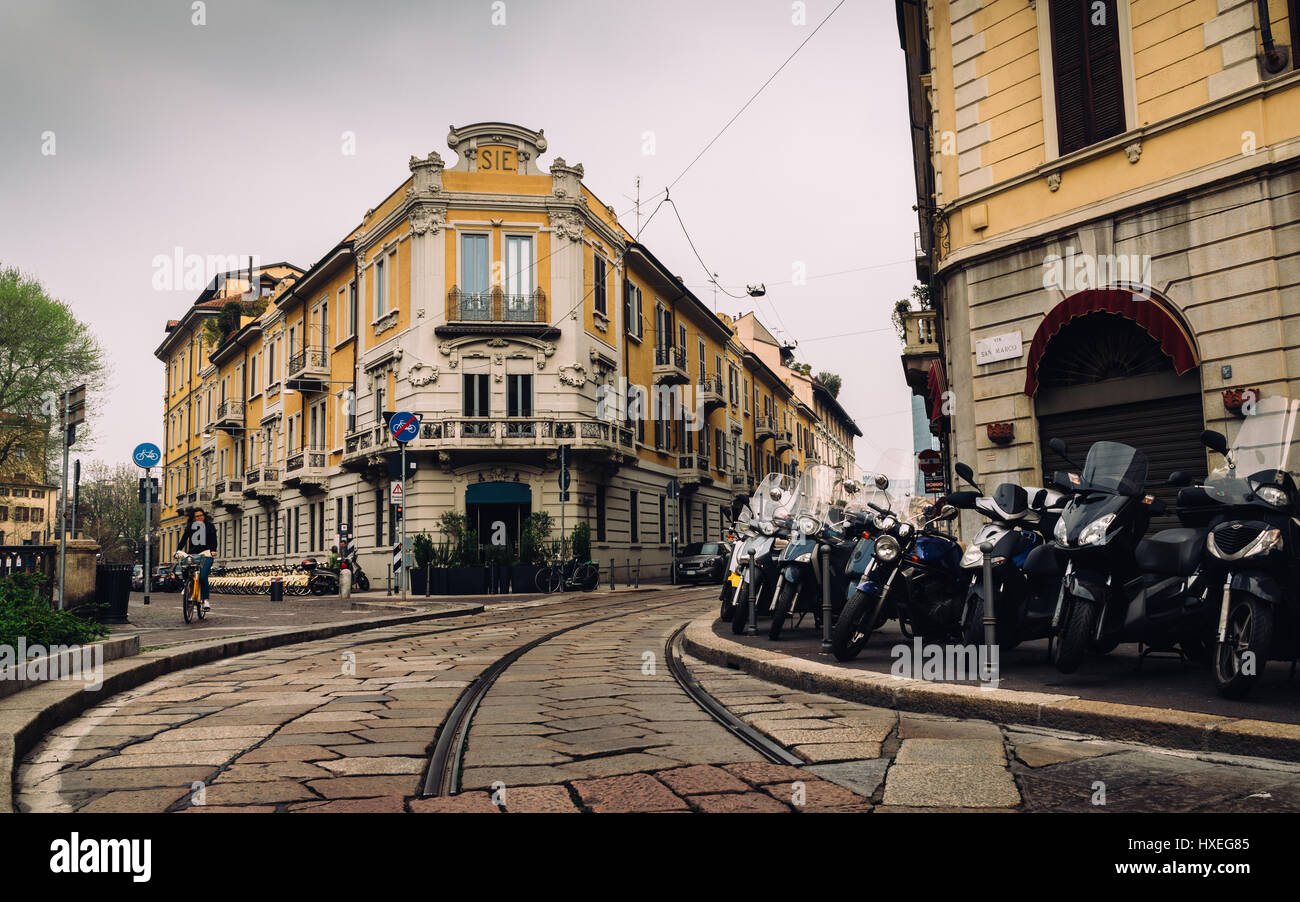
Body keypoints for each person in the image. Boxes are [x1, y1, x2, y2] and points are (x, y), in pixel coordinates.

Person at [178, 507, 218, 611]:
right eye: (197, 516)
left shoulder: (210, 526)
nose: (200, 518)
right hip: (194, 554)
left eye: (201, 515)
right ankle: (187, 586)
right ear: (194, 518)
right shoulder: (190, 527)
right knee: (184, 567)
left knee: (203, 576)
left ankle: (205, 600)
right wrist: (177, 550)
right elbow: (183, 539)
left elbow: (214, 540)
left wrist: (213, 550)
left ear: (204, 516)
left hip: (207, 554)